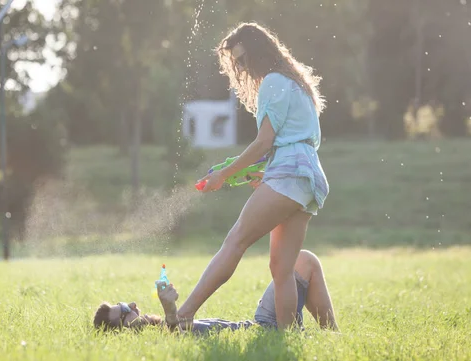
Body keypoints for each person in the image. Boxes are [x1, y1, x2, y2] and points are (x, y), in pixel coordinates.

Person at [182, 22, 329, 330]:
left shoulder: (273, 82)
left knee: (235, 240)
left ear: (256, 53)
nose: (240, 67)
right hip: (305, 177)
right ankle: (286, 336)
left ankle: (182, 315)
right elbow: (291, 141)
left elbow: (265, 141)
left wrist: (223, 174)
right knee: (281, 268)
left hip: (290, 173)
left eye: (242, 59)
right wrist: (263, 172)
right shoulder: (294, 81)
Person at [93, 250, 338, 334]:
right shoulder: (156, 341)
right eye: (125, 309)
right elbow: (177, 334)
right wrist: (170, 310)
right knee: (304, 261)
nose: (133, 305)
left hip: (258, 325)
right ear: (122, 330)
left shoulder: (155, 333)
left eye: (125, 303)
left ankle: (329, 338)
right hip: (266, 329)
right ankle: (330, 338)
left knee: (304, 261)